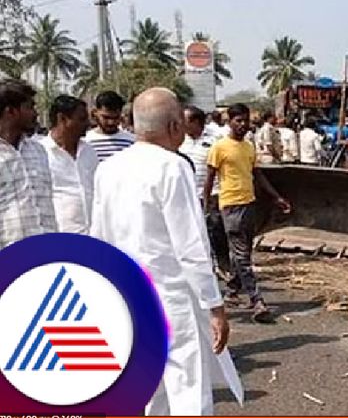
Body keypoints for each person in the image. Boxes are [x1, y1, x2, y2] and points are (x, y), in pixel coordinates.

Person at [91, 88, 234, 415]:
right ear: (173, 126)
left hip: (128, 294)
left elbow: (98, 236)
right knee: (187, 388)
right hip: (172, 299)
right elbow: (191, 245)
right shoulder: (172, 166)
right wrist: (214, 305)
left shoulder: (108, 169)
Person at [204, 103, 292, 323]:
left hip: (249, 204)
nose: (243, 125)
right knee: (242, 255)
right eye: (238, 121)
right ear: (229, 122)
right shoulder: (219, 147)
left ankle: (233, 288)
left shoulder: (248, 147)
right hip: (230, 205)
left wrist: (276, 197)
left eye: (246, 121)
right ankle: (257, 300)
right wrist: (207, 206)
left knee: (244, 253)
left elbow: (257, 174)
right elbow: (209, 179)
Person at [0, 80, 57, 248]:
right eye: (29, 107)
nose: (35, 113)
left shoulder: (38, 150)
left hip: (46, 254)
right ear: (11, 111)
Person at [179, 106, 231, 280]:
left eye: (185, 121)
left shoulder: (216, 139)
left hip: (213, 195)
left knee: (216, 232)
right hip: (188, 196)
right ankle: (203, 270)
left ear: (195, 122)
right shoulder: (180, 141)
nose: (181, 124)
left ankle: (225, 268)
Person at [40, 95, 98, 234]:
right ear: (62, 119)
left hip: (92, 238)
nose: (88, 124)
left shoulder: (89, 152)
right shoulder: (41, 153)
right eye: (82, 119)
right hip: (59, 240)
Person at [85, 90, 134, 162]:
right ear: (95, 113)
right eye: (106, 117)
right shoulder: (86, 142)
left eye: (115, 117)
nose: (111, 122)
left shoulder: (132, 141)